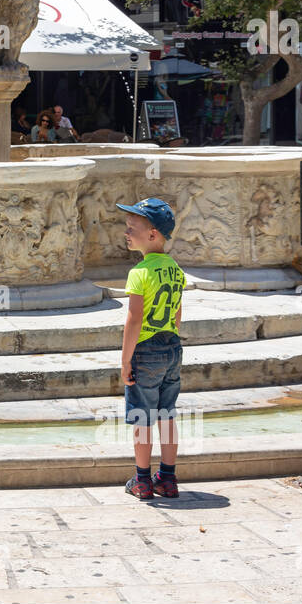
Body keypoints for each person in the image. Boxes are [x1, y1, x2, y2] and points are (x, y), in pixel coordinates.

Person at [115, 197, 184, 500]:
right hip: (171, 346)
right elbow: (177, 314)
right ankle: (167, 479)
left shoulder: (139, 272)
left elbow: (134, 319)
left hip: (145, 350)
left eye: (132, 228)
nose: (126, 233)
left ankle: (142, 480)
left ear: (152, 234)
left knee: (142, 418)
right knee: (167, 415)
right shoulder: (175, 271)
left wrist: (125, 360)